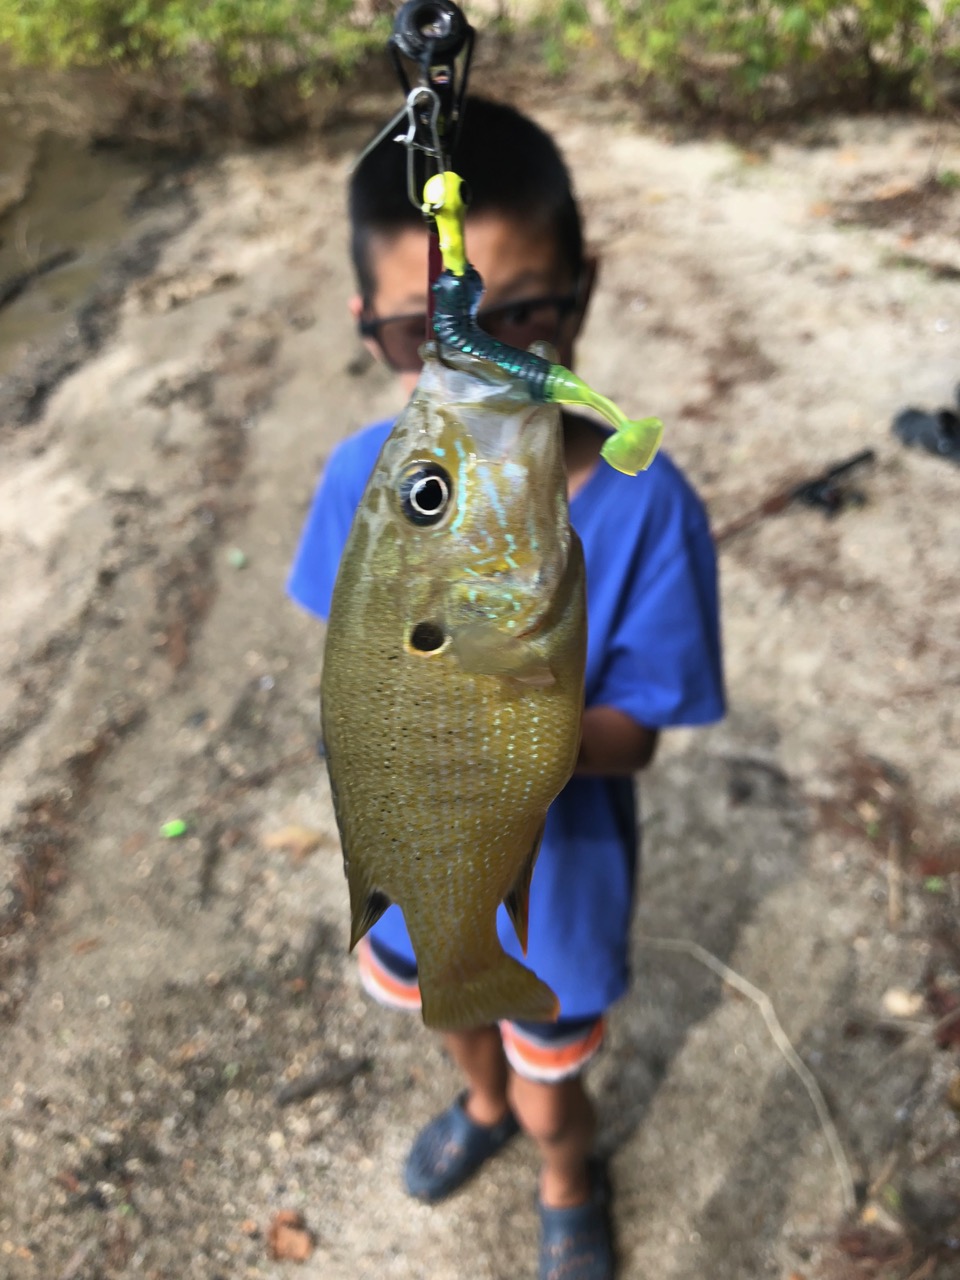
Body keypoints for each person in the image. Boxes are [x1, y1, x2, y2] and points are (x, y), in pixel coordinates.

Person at [288, 97, 725, 1280]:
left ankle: (564, 1172)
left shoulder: (646, 510)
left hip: (560, 889)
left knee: (549, 1079)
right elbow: (349, 659)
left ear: (584, 288)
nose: (477, 362)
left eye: (519, 314)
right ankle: (480, 1109)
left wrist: (507, 724)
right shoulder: (356, 478)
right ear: (370, 328)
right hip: (410, 860)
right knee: (455, 1018)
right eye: (430, 329)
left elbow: (633, 734)